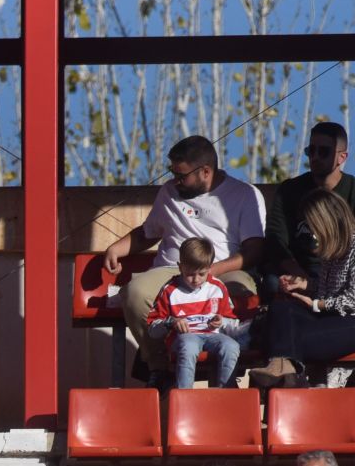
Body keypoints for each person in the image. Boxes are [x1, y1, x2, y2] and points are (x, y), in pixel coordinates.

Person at [104, 134, 265, 381]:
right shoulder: (168, 192)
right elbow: (147, 234)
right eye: (173, 173)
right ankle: (158, 368)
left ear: (206, 172)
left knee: (243, 293)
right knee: (135, 293)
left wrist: (211, 272)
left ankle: (229, 373)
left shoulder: (245, 194)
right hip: (174, 270)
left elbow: (254, 249)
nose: (175, 181)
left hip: (224, 267)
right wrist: (115, 249)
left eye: (182, 176)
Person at [253, 187, 355, 389]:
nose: (309, 230)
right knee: (281, 309)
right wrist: (305, 285)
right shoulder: (331, 251)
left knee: (288, 338)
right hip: (330, 318)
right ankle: (283, 367)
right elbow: (328, 289)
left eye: (311, 223)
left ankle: (286, 377)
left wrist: (318, 304)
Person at [263, 121, 355, 291]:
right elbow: (276, 242)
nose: (315, 157)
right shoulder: (290, 190)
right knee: (272, 283)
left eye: (324, 152)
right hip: (298, 269)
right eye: (311, 151)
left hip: (343, 274)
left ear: (342, 157)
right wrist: (301, 276)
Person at [145, 238, 245, 389]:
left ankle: (227, 393)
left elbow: (232, 322)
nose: (196, 279)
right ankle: (184, 394)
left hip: (213, 335)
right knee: (189, 344)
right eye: (190, 274)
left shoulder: (217, 287)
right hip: (183, 337)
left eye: (202, 274)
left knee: (231, 346)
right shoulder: (170, 290)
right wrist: (171, 322)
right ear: (180, 267)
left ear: (210, 268)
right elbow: (152, 329)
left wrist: (221, 321)